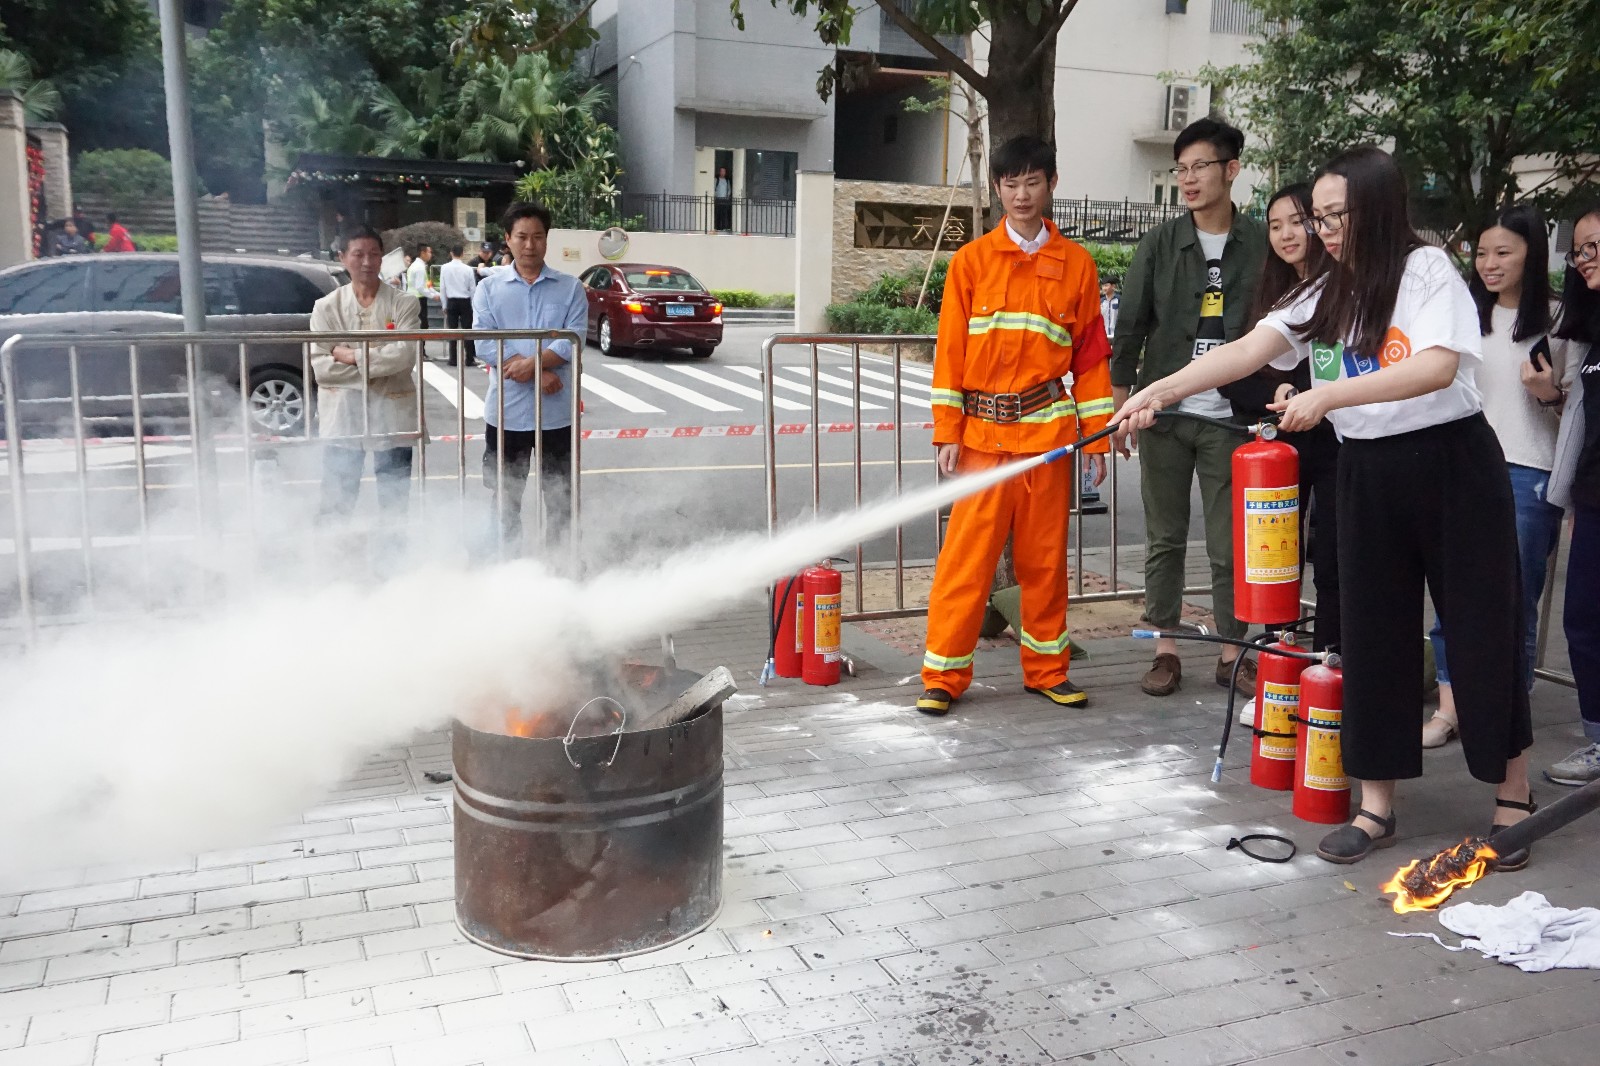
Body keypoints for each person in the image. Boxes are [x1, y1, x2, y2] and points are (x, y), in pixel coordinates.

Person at [1117, 146, 1535, 868]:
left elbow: (1435, 365)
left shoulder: (1425, 270)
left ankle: (1512, 798)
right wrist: (1161, 389)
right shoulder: (1324, 290)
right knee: (1371, 634)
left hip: (1451, 466)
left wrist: (1327, 396)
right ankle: (1377, 806)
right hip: (1367, 473)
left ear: (1379, 207)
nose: (1326, 229)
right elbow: (1250, 348)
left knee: (1478, 629)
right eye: (1320, 217)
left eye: (1338, 215)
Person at [915, 135, 1114, 716]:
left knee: (1045, 562)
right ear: (997, 188)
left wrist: (1098, 433)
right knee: (964, 562)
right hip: (980, 439)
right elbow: (949, 351)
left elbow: (1091, 357)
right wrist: (945, 429)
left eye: (1032, 181)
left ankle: (1047, 671)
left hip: (1048, 440)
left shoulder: (1076, 264)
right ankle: (943, 677)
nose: (1022, 194)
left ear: (1051, 182)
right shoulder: (971, 262)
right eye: (1010, 183)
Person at [1110, 118, 1268, 698]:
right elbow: (1129, 328)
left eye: (1200, 166)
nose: (1188, 179)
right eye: (1180, 169)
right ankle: (1166, 647)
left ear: (1231, 169)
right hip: (1164, 414)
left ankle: (1234, 651)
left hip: (1231, 416)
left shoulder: (1260, 242)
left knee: (1230, 543)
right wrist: (1121, 408)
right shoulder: (1160, 242)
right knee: (1164, 537)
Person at [1425, 206, 1575, 750]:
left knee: (1514, 602)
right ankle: (1448, 710)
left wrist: (1549, 395)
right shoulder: (1462, 316)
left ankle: (1506, 719)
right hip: (1460, 470)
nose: (1489, 263)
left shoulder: (1560, 320)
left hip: (1529, 474)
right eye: (1481, 252)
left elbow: (1580, 414)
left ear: (1532, 254)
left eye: (1503, 252)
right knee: (1450, 597)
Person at [1217, 183, 1341, 656]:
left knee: (1332, 562)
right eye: (1275, 225)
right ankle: (1277, 666)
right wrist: (1280, 391)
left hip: (1338, 444)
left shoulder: (1344, 288)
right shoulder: (1266, 291)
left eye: (1298, 221)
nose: (1287, 234)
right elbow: (1235, 372)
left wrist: (1315, 397)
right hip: (1280, 448)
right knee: (1276, 559)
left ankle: (1326, 665)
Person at [472, 201, 588, 552]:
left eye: (538, 236)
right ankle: (507, 560)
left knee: (561, 494)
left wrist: (529, 365)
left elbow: (575, 339)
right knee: (505, 495)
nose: (529, 244)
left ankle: (559, 560)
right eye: (521, 236)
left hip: (557, 415)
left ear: (547, 241)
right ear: (507, 239)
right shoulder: (489, 290)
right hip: (507, 413)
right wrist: (540, 372)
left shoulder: (570, 288)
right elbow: (484, 344)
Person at [309, 225, 422, 524]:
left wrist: (349, 356)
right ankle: (333, 560)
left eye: (374, 254)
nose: (367, 262)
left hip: (393, 414)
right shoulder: (325, 308)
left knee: (394, 502)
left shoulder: (404, 303)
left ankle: (392, 565)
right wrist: (377, 364)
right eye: (358, 254)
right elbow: (322, 368)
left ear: (382, 258)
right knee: (337, 498)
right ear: (342, 257)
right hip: (343, 416)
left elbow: (404, 356)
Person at [1545, 205, 1600, 786]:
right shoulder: (1588, 330)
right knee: (1582, 621)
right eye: (1579, 251)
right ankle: (1597, 740)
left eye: (1594, 247)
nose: (1583, 260)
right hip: (1594, 499)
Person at [440, 244, 478, 367]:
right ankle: (469, 358)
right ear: (462, 254)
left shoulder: (445, 268)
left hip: (451, 301)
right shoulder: (467, 269)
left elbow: (443, 288)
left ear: (451, 253)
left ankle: (453, 359)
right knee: (468, 331)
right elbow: (472, 288)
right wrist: (474, 304)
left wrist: (444, 304)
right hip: (465, 301)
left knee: (452, 331)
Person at [405, 244, 435, 329]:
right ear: (422, 253)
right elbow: (420, 287)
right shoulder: (419, 267)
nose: (430, 254)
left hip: (413, 297)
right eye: (429, 252)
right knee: (422, 324)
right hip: (418, 299)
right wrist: (433, 296)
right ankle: (419, 342)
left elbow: (426, 285)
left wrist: (434, 293)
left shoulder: (417, 265)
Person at [714, 166, 733, 232]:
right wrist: (715, 196)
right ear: (719, 172)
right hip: (718, 199)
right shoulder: (716, 180)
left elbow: (729, 189)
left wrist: (727, 196)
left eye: (724, 171)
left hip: (725, 200)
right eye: (721, 171)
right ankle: (718, 227)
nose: (722, 173)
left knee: (725, 214)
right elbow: (714, 189)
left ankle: (725, 227)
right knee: (718, 213)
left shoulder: (727, 181)